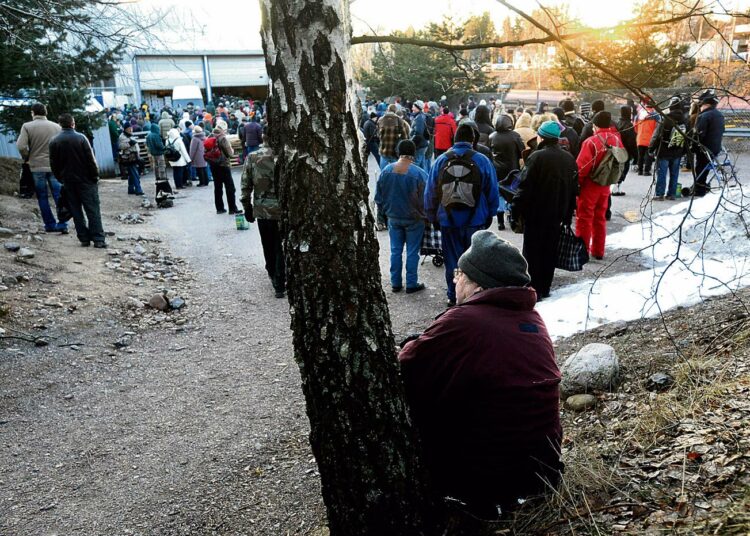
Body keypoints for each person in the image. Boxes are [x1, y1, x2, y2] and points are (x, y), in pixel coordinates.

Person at [399, 231, 563, 518]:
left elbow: (407, 365)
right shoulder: (533, 320)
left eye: (459, 273)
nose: (454, 279)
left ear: (478, 285)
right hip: (543, 469)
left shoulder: (463, 321)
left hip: (491, 479)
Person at [425, 124, 500, 306]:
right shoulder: (482, 160)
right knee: (475, 259)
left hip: (448, 220)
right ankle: (475, 295)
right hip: (476, 219)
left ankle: (454, 295)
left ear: (454, 139)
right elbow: (492, 191)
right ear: (473, 140)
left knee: (453, 260)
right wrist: (490, 213)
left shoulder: (441, 160)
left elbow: (430, 193)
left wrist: (432, 216)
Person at [512, 121, 578, 299]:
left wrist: (515, 210)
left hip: (536, 214)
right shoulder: (569, 158)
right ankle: (545, 287)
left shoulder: (537, 157)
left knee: (532, 252)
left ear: (542, 136)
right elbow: (573, 190)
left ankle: (533, 289)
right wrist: (568, 214)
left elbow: (524, 187)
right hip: (557, 214)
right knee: (549, 252)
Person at [374, 140, 428, 294]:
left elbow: (379, 197)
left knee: (395, 250)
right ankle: (411, 283)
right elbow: (427, 198)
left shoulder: (386, 171)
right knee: (412, 251)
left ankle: (395, 282)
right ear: (413, 154)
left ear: (398, 152)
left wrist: (383, 214)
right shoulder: (419, 174)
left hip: (393, 217)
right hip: (414, 219)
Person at [48, 114, 106, 248]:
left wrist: (60, 178)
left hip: (68, 181)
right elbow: (91, 160)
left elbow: (53, 164)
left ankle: (84, 238)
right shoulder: (81, 138)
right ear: (73, 123)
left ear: (60, 124)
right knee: (92, 210)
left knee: (76, 211)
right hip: (86, 180)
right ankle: (98, 239)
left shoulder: (54, 141)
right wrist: (95, 176)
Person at [240, 130, 286, 298]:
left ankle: (272, 273)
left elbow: (246, 184)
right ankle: (280, 281)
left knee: (267, 243)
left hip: (262, 210)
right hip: (282, 210)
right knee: (281, 245)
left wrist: (247, 207)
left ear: (263, 138)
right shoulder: (285, 156)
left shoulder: (253, 157)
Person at [576, 111, 624, 260]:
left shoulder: (591, 142)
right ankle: (598, 251)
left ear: (595, 125)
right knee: (600, 218)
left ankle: (582, 252)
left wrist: (577, 184)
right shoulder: (616, 139)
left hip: (590, 184)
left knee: (584, 218)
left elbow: (582, 168)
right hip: (606, 184)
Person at [15, 103, 68, 233]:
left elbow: (21, 146)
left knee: (42, 196)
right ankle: (63, 224)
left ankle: (49, 225)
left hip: (36, 166)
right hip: (54, 166)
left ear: (33, 112)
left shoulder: (27, 126)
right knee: (58, 195)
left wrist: (27, 157)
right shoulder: (56, 126)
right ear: (46, 112)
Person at [684, 91, 725, 197]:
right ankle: (701, 186)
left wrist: (692, 147)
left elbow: (698, 134)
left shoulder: (704, 116)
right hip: (715, 147)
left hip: (704, 148)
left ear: (706, 104)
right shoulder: (719, 115)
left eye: (701, 105)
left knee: (700, 168)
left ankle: (699, 189)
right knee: (705, 168)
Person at [648, 100, 686, 200]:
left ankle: (660, 194)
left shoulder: (666, 119)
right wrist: (684, 151)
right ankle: (672, 194)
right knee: (674, 173)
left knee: (662, 173)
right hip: (678, 150)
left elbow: (657, 136)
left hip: (664, 150)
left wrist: (651, 148)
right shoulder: (685, 120)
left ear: (671, 107)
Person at [206, 124, 239, 214]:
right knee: (230, 187)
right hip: (223, 165)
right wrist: (232, 150)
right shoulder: (222, 138)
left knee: (218, 187)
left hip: (213, 165)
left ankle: (219, 208)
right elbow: (230, 153)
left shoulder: (210, 137)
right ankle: (232, 208)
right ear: (222, 130)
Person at [613, 106, 638, 196]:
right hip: (626, 151)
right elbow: (632, 143)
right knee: (624, 170)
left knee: (618, 170)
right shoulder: (629, 125)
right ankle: (616, 189)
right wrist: (636, 156)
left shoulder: (618, 123)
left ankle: (617, 189)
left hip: (617, 150)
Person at [378, 104, 410, 169]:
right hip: (395, 151)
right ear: (395, 111)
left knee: (383, 172)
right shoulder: (399, 120)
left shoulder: (381, 119)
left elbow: (379, 134)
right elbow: (405, 137)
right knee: (395, 171)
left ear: (388, 110)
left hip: (384, 150)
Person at [118, 124, 144, 195]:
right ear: (125, 129)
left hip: (133, 156)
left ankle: (131, 189)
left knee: (131, 174)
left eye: (131, 128)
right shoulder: (122, 136)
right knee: (135, 174)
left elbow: (136, 145)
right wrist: (129, 144)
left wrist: (138, 153)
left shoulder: (130, 135)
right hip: (128, 158)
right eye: (129, 128)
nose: (131, 129)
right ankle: (138, 190)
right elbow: (121, 146)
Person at [634, 102, 660, 176]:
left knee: (640, 155)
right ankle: (646, 171)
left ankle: (640, 170)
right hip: (650, 138)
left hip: (640, 138)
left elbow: (635, 127)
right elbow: (657, 127)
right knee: (649, 155)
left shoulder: (638, 115)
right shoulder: (655, 115)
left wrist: (639, 133)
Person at [410, 100, 430, 172]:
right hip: (422, 144)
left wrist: (411, 143)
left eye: (413, 107)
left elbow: (418, 133)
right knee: (421, 164)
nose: (412, 108)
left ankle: (417, 181)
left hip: (419, 145)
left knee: (416, 165)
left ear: (417, 107)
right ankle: (425, 180)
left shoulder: (419, 118)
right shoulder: (420, 116)